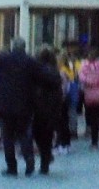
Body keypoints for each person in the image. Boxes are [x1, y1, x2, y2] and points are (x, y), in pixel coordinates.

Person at [0, 36, 61, 177]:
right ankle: (29, 160)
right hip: (24, 105)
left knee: (7, 136)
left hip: (5, 105)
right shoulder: (30, 62)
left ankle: (11, 167)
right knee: (23, 134)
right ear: (24, 47)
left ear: (13, 47)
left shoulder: (5, 59)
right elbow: (49, 77)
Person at [32, 46, 63, 174]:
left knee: (38, 134)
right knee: (47, 135)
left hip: (39, 107)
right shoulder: (55, 71)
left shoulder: (36, 71)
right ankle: (45, 160)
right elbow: (59, 92)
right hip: (51, 109)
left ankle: (45, 158)